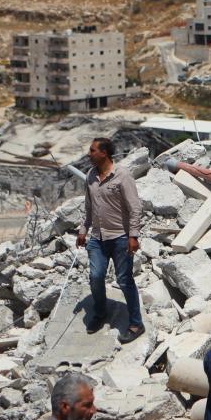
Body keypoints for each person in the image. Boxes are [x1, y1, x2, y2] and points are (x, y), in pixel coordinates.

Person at [77, 137, 144, 343]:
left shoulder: (122, 176)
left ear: (104, 153)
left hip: (120, 238)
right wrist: (83, 230)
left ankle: (136, 323)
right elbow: (88, 207)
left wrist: (133, 236)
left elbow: (135, 208)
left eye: (93, 150)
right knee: (96, 276)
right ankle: (100, 313)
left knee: (124, 280)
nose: (89, 154)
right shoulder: (90, 176)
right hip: (97, 238)